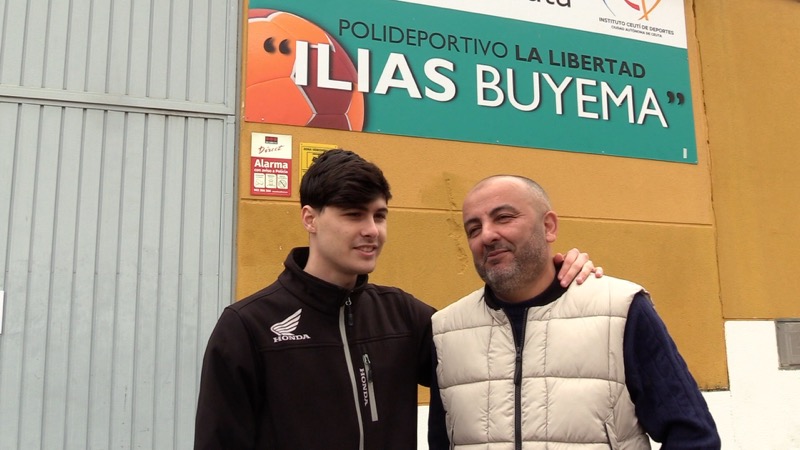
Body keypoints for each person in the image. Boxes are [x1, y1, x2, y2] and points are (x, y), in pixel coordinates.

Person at [194, 150, 599, 449]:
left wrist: (553, 277)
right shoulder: (248, 326)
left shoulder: (403, 315)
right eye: (353, 214)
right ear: (310, 218)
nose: (372, 230)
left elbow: (497, 350)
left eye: (380, 215)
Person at [428, 175, 721, 449]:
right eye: (473, 229)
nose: (487, 235)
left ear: (548, 227)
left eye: (503, 217)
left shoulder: (619, 309)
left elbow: (693, 436)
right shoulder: (446, 331)